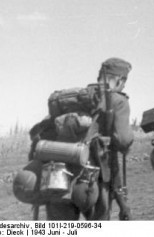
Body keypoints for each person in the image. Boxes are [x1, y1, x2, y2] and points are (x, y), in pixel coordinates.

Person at [45, 57, 134, 220]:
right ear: (120, 80)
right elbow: (123, 140)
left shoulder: (75, 99)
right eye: (124, 81)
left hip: (58, 175)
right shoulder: (118, 100)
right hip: (94, 176)